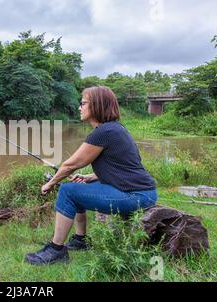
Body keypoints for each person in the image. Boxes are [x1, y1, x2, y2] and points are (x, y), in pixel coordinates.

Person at [25, 86, 157, 265]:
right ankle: (80, 241)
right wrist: (90, 177)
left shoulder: (104, 132)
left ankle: (56, 251)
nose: (79, 107)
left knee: (67, 190)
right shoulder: (114, 129)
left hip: (136, 196)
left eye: (83, 103)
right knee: (77, 188)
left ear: (97, 105)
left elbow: (71, 164)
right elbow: (122, 166)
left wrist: (50, 183)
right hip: (141, 193)